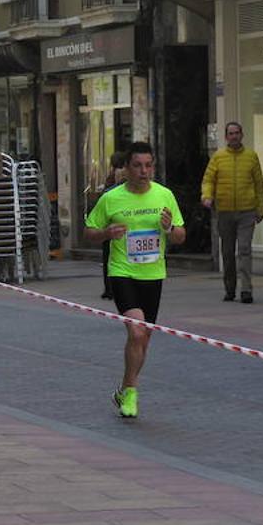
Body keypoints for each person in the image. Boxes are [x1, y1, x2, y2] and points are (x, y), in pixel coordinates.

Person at [84, 141, 185, 419]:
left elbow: (180, 235)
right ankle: (131, 391)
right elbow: (89, 231)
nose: (144, 171)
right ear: (126, 168)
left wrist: (169, 228)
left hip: (153, 275)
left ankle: (124, 388)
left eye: (149, 165)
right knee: (137, 332)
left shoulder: (164, 195)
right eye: (138, 165)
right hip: (122, 272)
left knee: (143, 339)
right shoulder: (111, 198)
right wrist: (106, 233)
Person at [201, 121, 263, 303]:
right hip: (224, 211)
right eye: (231, 133)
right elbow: (208, 180)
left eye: (237, 133)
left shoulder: (251, 156)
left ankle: (246, 290)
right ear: (226, 136)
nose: (234, 136)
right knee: (228, 252)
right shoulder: (218, 157)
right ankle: (230, 289)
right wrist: (206, 196)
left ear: (242, 135)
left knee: (244, 249)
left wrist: (260, 208)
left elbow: (259, 185)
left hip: (247, 211)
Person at [100, 151, 127, 299]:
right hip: (118, 222)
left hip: (110, 223)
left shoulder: (111, 177)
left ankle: (109, 288)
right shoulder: (118, 176)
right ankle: (112, 288)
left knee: (108, 257)